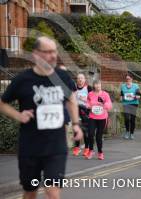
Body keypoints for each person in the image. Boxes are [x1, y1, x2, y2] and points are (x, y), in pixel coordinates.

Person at [0, 36, 83, 199]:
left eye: (54, 51)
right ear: (36, 54)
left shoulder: (62, 77)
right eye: (48, 52)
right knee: (30, 192)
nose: (53, 55)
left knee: (53, 192)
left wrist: (75, 124)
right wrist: (18, 115)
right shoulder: (22, 80)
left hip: (56, 147)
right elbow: (2, 103)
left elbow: (72, 99)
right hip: (30, 147)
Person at [86, 80, 112, 160]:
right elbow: (87, 102)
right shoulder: (90, 94)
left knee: (98, 136)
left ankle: (100, 152)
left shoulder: (105, 94)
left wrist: (105, 105)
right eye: (96, 85)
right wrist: (88, 106)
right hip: (92, 117)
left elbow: (109, 104)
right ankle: (91, 150)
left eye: (99, 84)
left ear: (101, 85)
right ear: (93, 86)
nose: (97, 86)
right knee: (90, 134)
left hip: (102, 117)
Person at [73, 73, 92, 157]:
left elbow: (93, 100)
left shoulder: (88, 88)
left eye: (82, 78)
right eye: (78, 78)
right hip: (76, 110)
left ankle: (87, 148)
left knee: (85, 131)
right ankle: (77, 148)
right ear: (76, 80)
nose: (80, 80)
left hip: (85, 111)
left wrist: (85, 99)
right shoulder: (73, 88)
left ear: (84, 80)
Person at [120, 73, 141, 140]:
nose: (128, 80)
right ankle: (127, 131)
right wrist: (122, 98)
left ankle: (131, 133)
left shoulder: (136, 86)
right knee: (126, 118)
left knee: (132, 119)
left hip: (134, 103)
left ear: (132, 79)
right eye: (126, 79)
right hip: (126, 104)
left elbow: (138, 96)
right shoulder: (123, 86)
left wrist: (132, 96)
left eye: (129, 79)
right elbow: (121, 96)